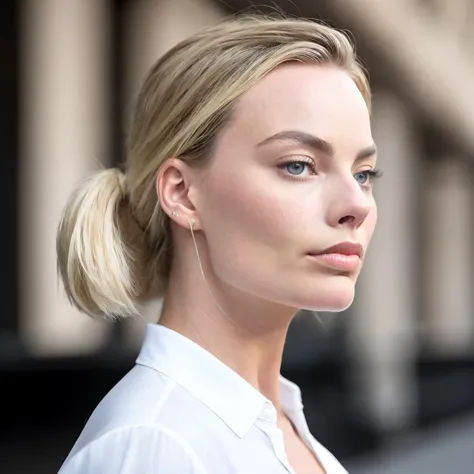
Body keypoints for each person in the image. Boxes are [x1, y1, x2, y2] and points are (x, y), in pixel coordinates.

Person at [56, 13, 380, 474]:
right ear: (182, 194)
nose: (357, 205)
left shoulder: (281, 431)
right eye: (298, 165)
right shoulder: (156, 447)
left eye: (364, 174)